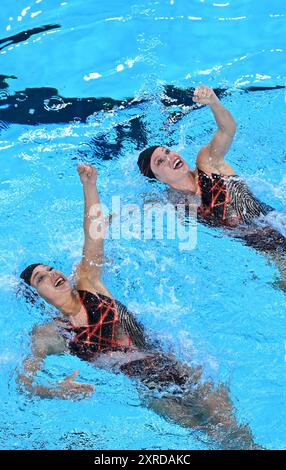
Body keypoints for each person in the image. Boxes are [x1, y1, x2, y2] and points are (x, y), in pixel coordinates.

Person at [18, 164, 260, 450]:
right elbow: (24, 382)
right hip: (150, 390)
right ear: (37, 297)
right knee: (214, 439)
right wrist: (55, 390)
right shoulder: (48, 334)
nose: (53, 273)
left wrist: (89, 185)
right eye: (41, 278)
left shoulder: (89, 282)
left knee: (235, 431)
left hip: (178, 363)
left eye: (50, 268)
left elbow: (94, 234)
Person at [137, 85, 286, 260]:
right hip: (265, 249)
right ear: (158, 178)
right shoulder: (172, 202)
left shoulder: (207, 163)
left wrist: (214, 102)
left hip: (277, 223)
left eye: (167, 151)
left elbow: (227, 130)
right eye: (160, 161)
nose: (170, 157)